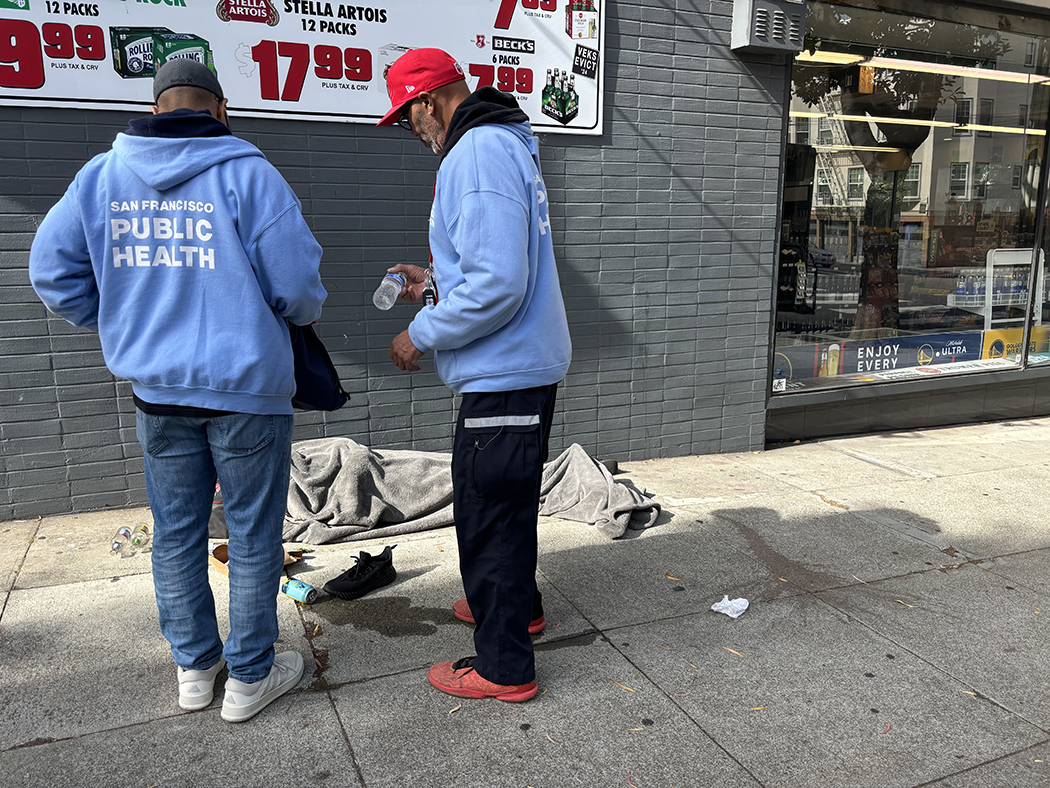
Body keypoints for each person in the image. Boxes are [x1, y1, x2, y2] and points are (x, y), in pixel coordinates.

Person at [29, 60, 326, 723]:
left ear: (156, 106)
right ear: (221, 109)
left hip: (157, 390)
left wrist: (119, 320)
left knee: (176, 535)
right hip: (247, 389)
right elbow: (301, 289)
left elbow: (50, 271)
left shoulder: (101, 177)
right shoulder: (250, 175)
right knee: (252, 539)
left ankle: (195, 668)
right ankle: (250, 679)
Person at [377, 48, 572, 702]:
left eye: (409, 119)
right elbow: (486, 269)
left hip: (503, 371)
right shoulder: (494, 146)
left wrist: (419, 335)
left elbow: (496, 285)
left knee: (489, 515)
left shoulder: (478, 153)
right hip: (514, 365)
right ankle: (520, 609)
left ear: (431, 101)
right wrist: (431, 283)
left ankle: (503, 665)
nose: (413, 132)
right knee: (504, 506)